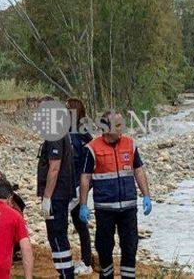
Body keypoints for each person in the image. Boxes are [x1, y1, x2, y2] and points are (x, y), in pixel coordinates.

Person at [79, 112, 152, 279]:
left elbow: (138, 170)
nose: (122, 129)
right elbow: (85, 177)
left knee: (130, 246)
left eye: (121, 124)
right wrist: (83, 204)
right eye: (118, 125)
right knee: (104, 247)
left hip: (128, 208)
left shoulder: (130, 144)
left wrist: (146, 195)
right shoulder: (92, 148)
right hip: (105, 209)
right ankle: (107, 275)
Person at [36, 123, 75, 278]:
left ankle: (66, 274)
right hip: (61, 194)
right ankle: (65, 273)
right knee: (59, 235)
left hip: (56, 196)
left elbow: (54, 167)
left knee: (57, 235)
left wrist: (47, 197)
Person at [66, 98, 94, 275]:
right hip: (71, 184)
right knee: (78, 222)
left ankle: (86, 261)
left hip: (78, 185)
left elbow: (91, 157)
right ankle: (86, 260)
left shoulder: (81, 134)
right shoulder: (68, 131)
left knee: (76, 221)